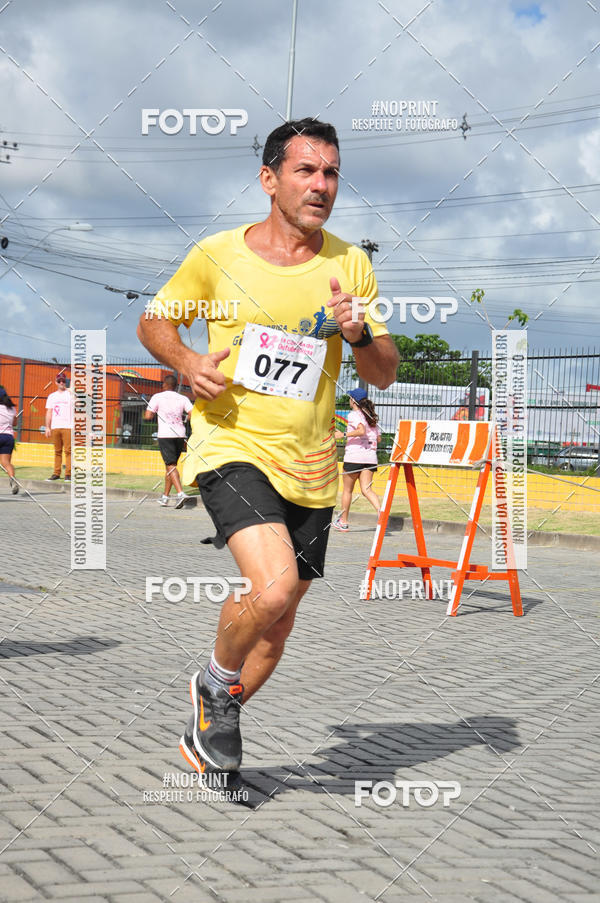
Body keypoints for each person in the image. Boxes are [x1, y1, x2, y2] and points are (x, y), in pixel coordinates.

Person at [137, 117, 399, 777]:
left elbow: (384, 372)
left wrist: (361, 333)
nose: (321, 185)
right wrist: (188, 360)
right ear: (269, 178)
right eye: (306, 170)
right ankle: (215, 679)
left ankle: (211, 718)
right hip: (231, 444)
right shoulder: (218, 254)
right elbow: (153, 320)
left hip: (312, 463)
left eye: (331, 172)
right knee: (274, 588)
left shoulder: (351, 263)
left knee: (276, 627)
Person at [333, 387, 381, 531]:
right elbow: (378, 438)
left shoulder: (354, 414)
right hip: (370, 457)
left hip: (354, 456)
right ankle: (382, 514)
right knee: (367, 489)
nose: (349, 400)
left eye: (350, 398)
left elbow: (361, 431)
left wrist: (344, 434)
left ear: (353, 400)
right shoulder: (371, 417)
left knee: (347, 491)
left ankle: (344, 522)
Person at [144, 374, 193, 509]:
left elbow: (148, 416)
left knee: (170, 465)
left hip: (165, 435)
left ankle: (180, 493)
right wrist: (184, 420)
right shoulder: (183, 398)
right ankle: (165, 497)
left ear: (164, 385)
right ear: (176, 386)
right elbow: (192, 413)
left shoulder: (157, 397)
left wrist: (152, 413)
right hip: (180, 434)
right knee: (171, 466)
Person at [45, 373, 72, 481]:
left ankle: (68, 474)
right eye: (59, 381)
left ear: (66, 382)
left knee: (68, 451)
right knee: (57, 451)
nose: (62, 383)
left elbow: (81, 405)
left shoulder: (70, 395)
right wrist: (47, 427)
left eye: (63, 381)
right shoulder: (52, 396)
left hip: (68, 426)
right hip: (55, 426)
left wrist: (74, 392)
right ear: (56, 382)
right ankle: (56, 473)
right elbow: (49, 412)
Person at [0, 386, 18, 494]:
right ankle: (13, 480)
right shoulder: (12, 409)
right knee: (6, 462)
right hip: (9, 437)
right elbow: (14, 423)